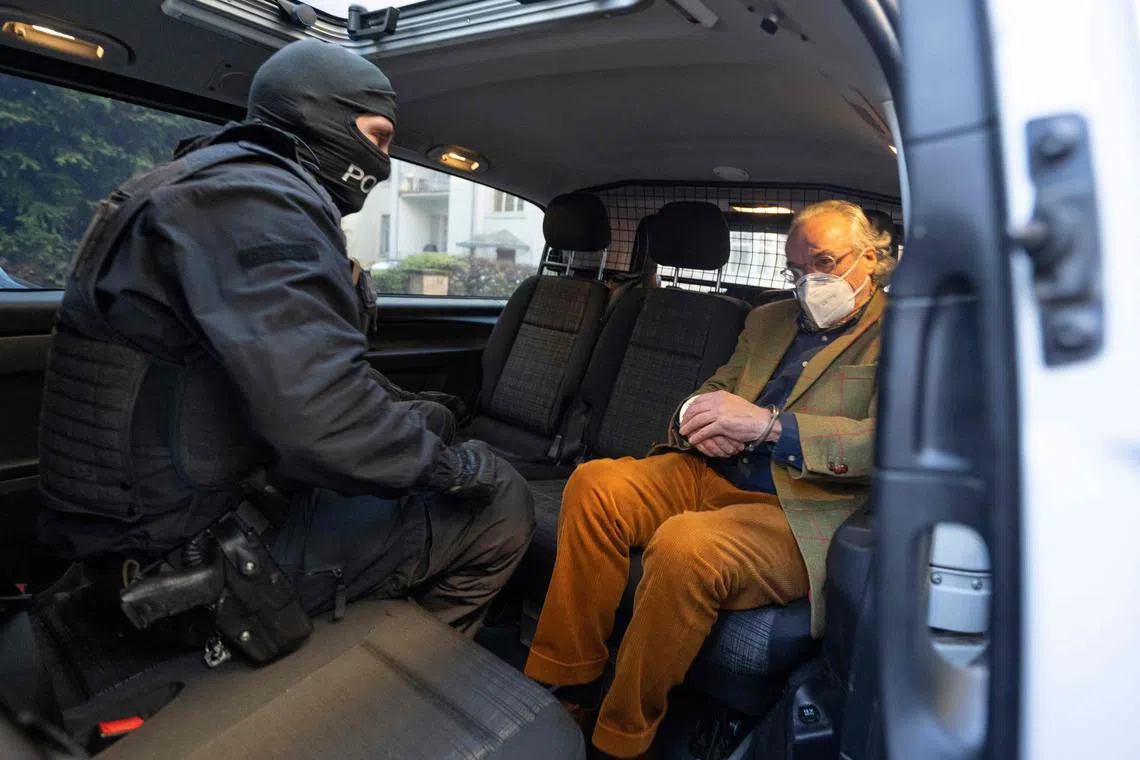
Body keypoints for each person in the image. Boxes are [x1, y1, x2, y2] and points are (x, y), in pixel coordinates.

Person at [36, 39, 534, 641]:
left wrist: (420, 417)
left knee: (427, 416)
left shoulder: (205, 187)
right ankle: (388, 668)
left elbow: (293, 365)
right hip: (194, 552)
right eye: (376, 137)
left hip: (154, 520)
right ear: (319, 114)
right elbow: (321, 423)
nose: (381, 163)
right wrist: (457, 470)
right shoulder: (261, 200)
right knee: (503, 500)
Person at [524, 201, 893, 759]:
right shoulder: (767, 319)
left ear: (869, 256)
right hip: (706, 470)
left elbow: (889, 443)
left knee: (685, 545)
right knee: (594, 484)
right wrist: (693, 419)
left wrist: (771, 428)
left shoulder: (903, 334)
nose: (809, 282)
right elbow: (714, 387)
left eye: (824, 262)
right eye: (796, 271)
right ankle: (570, 681)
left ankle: (620, 736)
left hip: (793, 507)